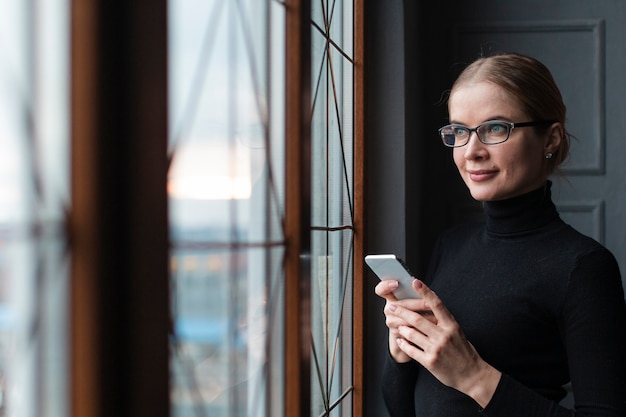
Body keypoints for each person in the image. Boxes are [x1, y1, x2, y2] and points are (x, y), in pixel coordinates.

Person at [375, 52, 626, 416]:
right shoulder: (451, 245)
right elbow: (402, 408)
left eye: (495, 128)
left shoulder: (584, 267)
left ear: (550, 139)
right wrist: (402, 349)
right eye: (459, 131)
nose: (472, 151)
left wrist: (474, 376)